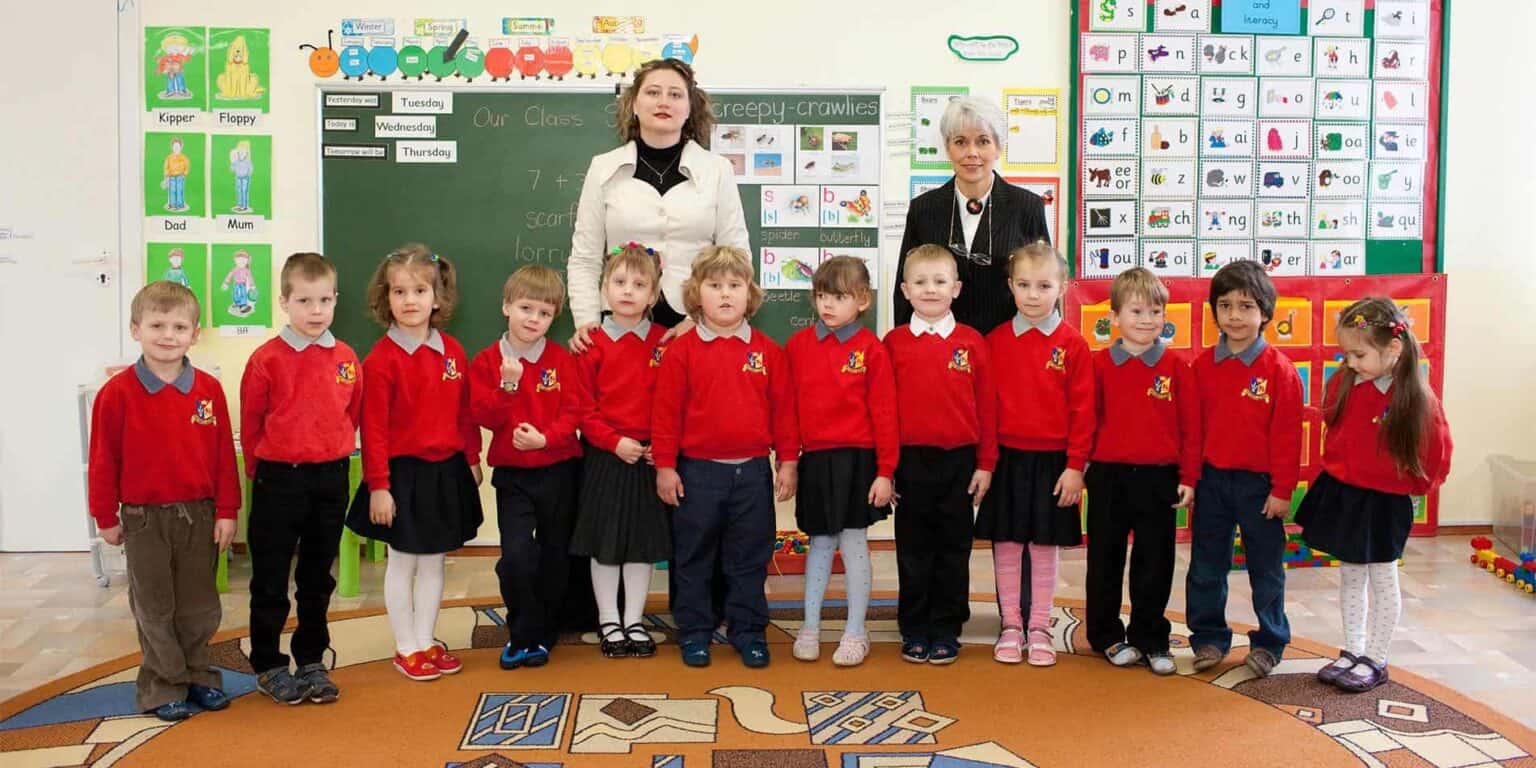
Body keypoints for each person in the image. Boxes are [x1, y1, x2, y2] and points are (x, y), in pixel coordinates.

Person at [88, 281, 239, 721]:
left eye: (179, 326)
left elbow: (222, 458)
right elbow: (103, 460)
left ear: (195, 333)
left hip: (200, 515)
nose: (168, 335)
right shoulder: (116, 395)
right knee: (155, 607)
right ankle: (162, 685)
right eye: (157, 325)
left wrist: (227, 511)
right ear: (136, 329)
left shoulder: (209, 390)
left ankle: (198, 676)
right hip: (142, 519)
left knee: (199, 607)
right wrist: (104, 515)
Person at [651, 246, 798, 669]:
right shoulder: (682, 351)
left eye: (735, 286)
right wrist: (665, 465)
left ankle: (748, 631)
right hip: (697, 473)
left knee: (748, 558)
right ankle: (695, 632)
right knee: (694, 557)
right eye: (715, 286)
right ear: (697, 294)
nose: (726, 294)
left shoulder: (768, 352)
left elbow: (784, 412)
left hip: (751, 473)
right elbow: (665, 415)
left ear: (749, 294)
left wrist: (787, 461)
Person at [1297, 298, 1452, 692]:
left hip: (1385, 501)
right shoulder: (1347, 382)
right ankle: (1353, 649)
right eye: (1346, 353)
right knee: (1350, 575)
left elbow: (1437, 451)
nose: (1350, 362)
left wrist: (1418, 488)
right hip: (1349, 493)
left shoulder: (1415, 398)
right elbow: (1334, 423)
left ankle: (1376, 659)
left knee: (1382, 578)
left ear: (1393, 349)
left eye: (1359, 354)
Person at [344, 245, 483, 682]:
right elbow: (375, 432)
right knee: (402, 562)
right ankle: (406, 647)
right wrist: (379, 486)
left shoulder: (453, 353)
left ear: (437, 298)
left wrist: (471, 457)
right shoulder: (380, 361)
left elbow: (465, 412)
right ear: (385, 299)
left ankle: (426, 640)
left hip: (445, 471)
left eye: (420, 290)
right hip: (400, 477)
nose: (409, 300)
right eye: (399, 291)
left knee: (435, 562)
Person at [240, 253, 360, 704]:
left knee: (317, 577)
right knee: (270, 578)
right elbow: (251, 423)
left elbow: (352, 412)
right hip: (278, 481)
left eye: (325, 300)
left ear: (335, 301)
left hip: (330, 480)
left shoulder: (346, 357)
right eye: (305, 300)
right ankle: (270, 664)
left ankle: (310, 658)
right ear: (284, 302)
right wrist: (262, 475)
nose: (316, 310)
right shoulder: (265, 359)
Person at [567, 58, 749, 348]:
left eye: (675, 94)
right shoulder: (603, 168)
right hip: (618, 323)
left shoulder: (717, 169)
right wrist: (588, 321)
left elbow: (736, 256)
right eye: (653, 92)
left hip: (695, 325)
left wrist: (701, 319)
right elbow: (585, 257)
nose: (663, 101)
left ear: (690, 108)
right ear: (634, 105)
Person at [1185, 260, 1302, 677]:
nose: (1235, 315)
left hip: (1261, 488)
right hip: (1212, 482)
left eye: (1246, 306)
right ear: (1213, 310)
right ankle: (1208, 638)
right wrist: (1190, 480)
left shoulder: (1280, 372)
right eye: (1226, 305)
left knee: (1266, 570)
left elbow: (1289, 437)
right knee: (1206, 566)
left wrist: (1283, 490)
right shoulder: (1201, 367)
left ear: (1265, 313)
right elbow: (1193, 431)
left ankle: (1270, 642)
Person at [976, 243, 1092, 667]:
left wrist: (1075, 467)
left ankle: (1039, 625)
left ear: (1062, 288)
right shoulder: (994, 342)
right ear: (1010, 287)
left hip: (1054, 464)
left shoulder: (1074, 346)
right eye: (1024, 285)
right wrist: (986, 463)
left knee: (1043, 547)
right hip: (1006, 460)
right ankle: (1011, 625)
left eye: (1044, 285)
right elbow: (985, 410)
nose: (1033, 294)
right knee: (1006, 544)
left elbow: (1084, 412)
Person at [883, 244, 996, 666]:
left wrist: (986, 464)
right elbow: (883, 410)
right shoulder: (893, 343)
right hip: (910, 461)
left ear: (957, 288)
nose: (930, 290)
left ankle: (947, 626)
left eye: (940, 281)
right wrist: (887, 468)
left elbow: (987, 408)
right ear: (905, 290)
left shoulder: (972, 343)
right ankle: (914, 626)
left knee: (953, 548)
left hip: (960, 461)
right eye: (921, 282)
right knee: (912, 548)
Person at [1084, 268, 1199, 675]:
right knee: (1104, 559)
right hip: (1107, 476)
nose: (1147, 319)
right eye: (1136, 311)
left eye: (1155, 311)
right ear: (1114, 316)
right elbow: (1085, 420)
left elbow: (1190, 427)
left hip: (1159, 478)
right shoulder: (1097, 364)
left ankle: (1151, 637)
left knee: (1155, 561)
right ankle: (1105, 635)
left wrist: (1188, 477)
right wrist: (1078, 466)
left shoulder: (1178, 366)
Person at [470, 266, 585, 670]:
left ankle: (542, 631)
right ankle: (522, 631)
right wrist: (508, 384)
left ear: (554, 318)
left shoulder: (562, 360)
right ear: (506, 306)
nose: (533, 319)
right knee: (518, 556)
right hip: (514, 476)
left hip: (558, 470)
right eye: (525, 308)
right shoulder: (488, 361)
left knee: (556, 555)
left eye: (544, 313)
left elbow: (574, 411)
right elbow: (482, 415)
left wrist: (546, 438)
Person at [785, 256, 897, 668]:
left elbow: (885, 414)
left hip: (858, 462)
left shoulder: (873, 350)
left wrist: (885, 471)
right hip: (815, 460)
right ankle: (810, 626)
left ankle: (855, 631)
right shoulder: (797, 347)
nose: (827, 304)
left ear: (863, 300)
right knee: (819, 543)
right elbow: (787, 410)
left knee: (853, 544)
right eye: (820, 296)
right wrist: (788, 461)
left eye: (839, 296)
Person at [569, 243, 673, 659]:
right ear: (603, 289)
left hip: (648, 457)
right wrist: (615, 442)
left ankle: (634, 619)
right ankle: (609, 619)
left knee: (640, 545)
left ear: (653, 295)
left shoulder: (664, 343)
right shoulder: (589, 343)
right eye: (618, 282)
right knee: (606, 544)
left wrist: (658, 447)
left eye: (639, 284)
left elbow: (671, 401)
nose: (628, 291)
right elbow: (583, 407)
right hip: (605, 456)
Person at [894, 97, 1051, 335]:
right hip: (939, 349)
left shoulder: (1027, 207)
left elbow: (1046, 279)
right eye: (960, 142)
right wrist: (903, 345)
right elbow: (903, 288)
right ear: (947, 148)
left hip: (1008, 346)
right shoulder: (923, 209)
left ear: (998, 147)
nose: (972, 152)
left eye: (983, 141)